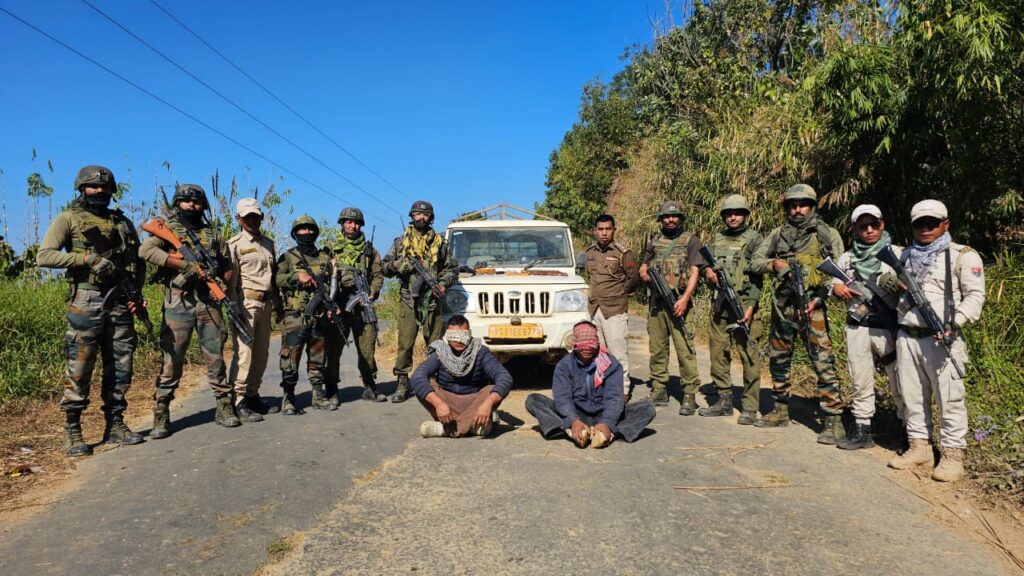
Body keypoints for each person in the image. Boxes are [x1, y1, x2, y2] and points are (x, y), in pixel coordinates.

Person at [37, 165, 145, 455]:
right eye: (93, 186)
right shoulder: (68, 218)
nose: (99, 191)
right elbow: (44, 256)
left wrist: (137, 294)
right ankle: (73, 430)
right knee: (80, 363)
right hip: (87, 299)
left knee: (121, 362)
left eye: (105, 187)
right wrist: (86, 259)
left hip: (120, 299)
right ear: (81, 189)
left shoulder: (122, 222)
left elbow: (137, 261)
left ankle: (116, 425)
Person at [887, 200, 984, 482]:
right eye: (920, 223)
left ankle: (953, 456)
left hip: (942, 338)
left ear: (946, 224)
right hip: (907, 335)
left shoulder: (963, 256)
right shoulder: (905, 255)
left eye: (932, 223)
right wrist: (887, 282)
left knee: (950, 398)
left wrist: (956, 322)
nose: (926, 228)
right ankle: (920, 448)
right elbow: (887, 284)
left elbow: (975, 296)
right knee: (912, 396)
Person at [751, 183, 847, 444]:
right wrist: (774, 264)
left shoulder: (827, 234)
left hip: (812, 308)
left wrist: (818, 299)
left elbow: (840, 273)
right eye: (793, 206)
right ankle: (780, 409)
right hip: (783, 307)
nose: (797, 210)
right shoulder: (778, 234)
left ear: (812, 207)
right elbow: (755, 262)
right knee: (778, 360)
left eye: (803, 205)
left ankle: (833, 420)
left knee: (823, 361)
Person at [141, 183, 237, 436]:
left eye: (196, 202)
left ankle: (224, 405)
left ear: (203, 205)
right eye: (186, 201)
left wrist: (223, 284)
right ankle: (161, 411)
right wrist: (180, 265)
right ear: (177, 203)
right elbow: (146, 250)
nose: (191, 206)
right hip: (179, 301)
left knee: (215, 356)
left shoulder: (213, 234)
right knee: (172, 357)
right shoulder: (168, 229)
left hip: (208, 301)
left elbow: (227, 264)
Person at [829, 205, 905, 450]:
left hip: (888, 327)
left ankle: (907, 431)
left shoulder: (896, 254)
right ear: (855, 229)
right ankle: (862, 428)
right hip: (858, 326)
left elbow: (912, 290)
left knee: (900, 380)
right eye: (863, 226)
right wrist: (837, 289)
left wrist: (898, 286)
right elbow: (833, 286)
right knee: (860, 379)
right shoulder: (847, 258)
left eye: (874, 225)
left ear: (882, 224)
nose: (869, 230)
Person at [526, 321, 656, 448]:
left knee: (647, 409)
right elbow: (563, 398)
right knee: (533, 400)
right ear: (575, 344)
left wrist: (607, 422)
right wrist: (573, 420)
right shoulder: (564, 366)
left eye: (591, 344)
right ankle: (572, 430)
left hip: (603, 413)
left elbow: (614, 399)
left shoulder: (612, 365)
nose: (587, 349)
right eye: (583, 344)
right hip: (576, 413)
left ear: (597, 343)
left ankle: (607, 433)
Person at [381, 200, 458, 402]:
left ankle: (432, 381)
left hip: (432, 300)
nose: (421, 217)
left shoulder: (440, 242)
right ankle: (402, 383)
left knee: (435, 345)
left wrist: (443, 284)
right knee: (405, 344)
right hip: (409, 300)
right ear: (412, 216)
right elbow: (385, 268)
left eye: (425, 214)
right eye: (417, 214)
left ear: (431, 218)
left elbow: (452, 269)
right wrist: (400, 265)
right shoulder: (401, 242)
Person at [699, 194, 765, 424]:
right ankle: (724, 400)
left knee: (749, 356)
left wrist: (751, 306)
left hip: (744, 305)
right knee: (718, 354)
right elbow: (705, 264)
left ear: (745, 215)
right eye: (729, 214)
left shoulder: (755, 240)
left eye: (737, 213)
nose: (733, 217)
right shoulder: (717, 239)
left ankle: (750, 407)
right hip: (720, 307)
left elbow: (757, 277)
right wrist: (708, 271)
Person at [639, 200, 703, 414]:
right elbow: (644, 265)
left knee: (685, 351)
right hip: (657, 305)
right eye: (666, 216)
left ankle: (690, 394)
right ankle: (659, 389)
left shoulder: (690, 240)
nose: (670, 219)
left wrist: (685, 299)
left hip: (679, 304)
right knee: (657, 349)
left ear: (680, 219)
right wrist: (644, 273)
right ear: (661, 219)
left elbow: (695, 272)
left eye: (674, 216)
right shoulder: (654, 240)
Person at [410, 315, 512, 438]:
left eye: (463, 336)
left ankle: (447, 429)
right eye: (454, 336)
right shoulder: (440, 351)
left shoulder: (481, 352)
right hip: (447, 404)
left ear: (469, 334)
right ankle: (472, 427)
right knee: (423, 385)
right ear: (447, 336)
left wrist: (488, 403)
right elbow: (417, 377)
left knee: (493, 390)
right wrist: (438, 404)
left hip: (474, 403)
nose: (459, 341)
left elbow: (504, 377)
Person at [226, 197, 282, 421]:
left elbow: (272, 277)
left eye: (256, 216)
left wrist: (277, 305)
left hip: (266, 304)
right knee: (244, 354)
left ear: (261, 217)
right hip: (246, 304)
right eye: (247, 217)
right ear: (238, 219)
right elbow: (232, 281)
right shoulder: (234, 244)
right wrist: (234, 308)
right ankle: (238, 400)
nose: (252, 220)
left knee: (261, 353)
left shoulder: (268, 243)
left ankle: (252, 395)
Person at [276, 215, 335, 414]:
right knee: (290, 359)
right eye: (302, 229)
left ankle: (318, 396)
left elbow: (333, 284)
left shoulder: (325, 258)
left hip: (320, 315)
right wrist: (296, 276)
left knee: (318, 358)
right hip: (295, 316)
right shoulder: (288, 257)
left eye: (310, 229)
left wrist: (331, 306)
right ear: (295, 233)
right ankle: (288, 398)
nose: (306, 232)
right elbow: (276, 279)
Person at [328, 207, 386, 403]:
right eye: (349, 222)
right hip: (339, 306)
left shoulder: (369, 251)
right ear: (342, 224)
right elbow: (323, 275)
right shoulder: (331, 249)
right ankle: (331, 389)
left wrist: (371, 293)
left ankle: (369, 386)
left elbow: (378, 275)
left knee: (367, 349)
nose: (353, 226)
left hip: (362, 307)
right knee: (334, 349)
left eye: (356, 223)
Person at [582, 213, 639, 399]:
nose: (604, 233)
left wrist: (618, 294)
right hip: (594, 309)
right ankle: (604, 387)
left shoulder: (623, 253)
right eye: (601, 229)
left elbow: (633, 279)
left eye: (608, 229)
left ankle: (622, 390)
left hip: (614, 309)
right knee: (598, 352)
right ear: (595, 231)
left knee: (618, 352)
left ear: (614, 230)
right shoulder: (590, 252)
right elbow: (590, 276)